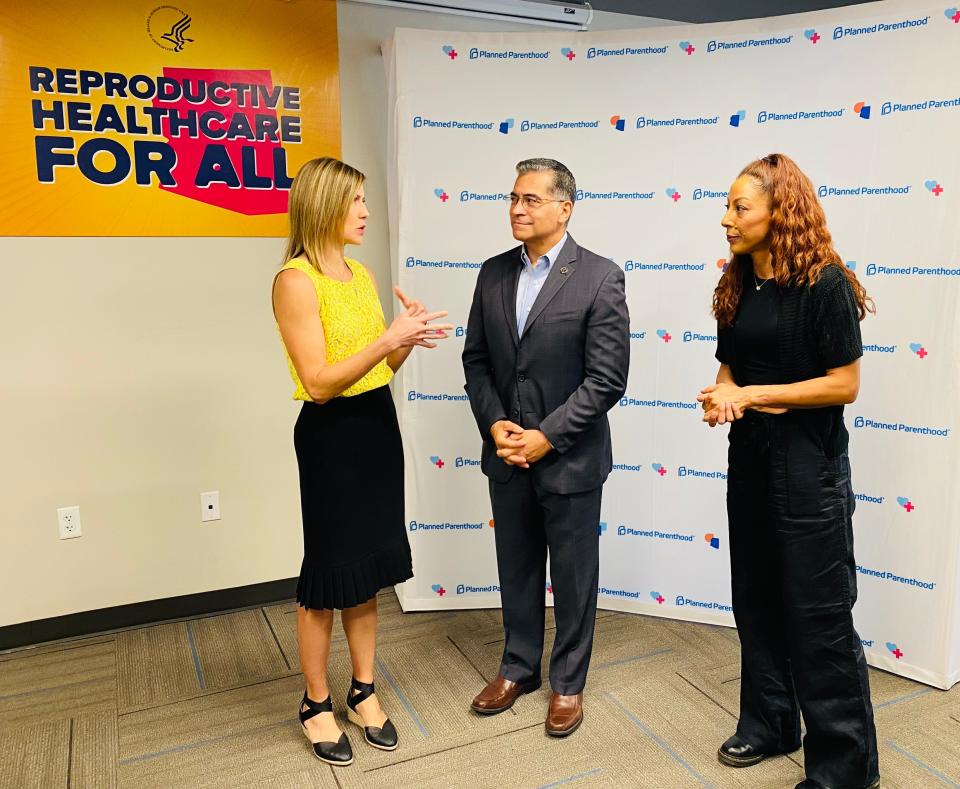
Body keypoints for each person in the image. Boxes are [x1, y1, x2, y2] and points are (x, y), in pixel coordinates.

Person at [697, 153, 879, 789]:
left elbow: (845, 384)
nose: (726, 219)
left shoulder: (826, 284)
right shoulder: (739, 280)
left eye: (739, 208)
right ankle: (770, 724)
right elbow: (731, 365)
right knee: (756, 598)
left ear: (781, 213)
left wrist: (750, 396)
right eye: (726, 206)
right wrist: (725, 394)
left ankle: (845, 768)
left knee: (819, 615)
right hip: (749, 463)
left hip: (809, 472)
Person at [272, 157, 452, 765]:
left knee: (367, 569)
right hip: (330, 437)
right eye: (356, 201)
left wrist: (403, 342)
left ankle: (363, 691)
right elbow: (320, 383)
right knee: (327, 574)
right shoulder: (294, 281)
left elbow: (372, 372)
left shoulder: (361, 273)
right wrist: (385, 338)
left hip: (376, 426)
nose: (366, 212)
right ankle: (316, 703)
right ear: (324, 205)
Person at [462, 158, 629, 737]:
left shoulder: (600, 277)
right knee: (518, 568)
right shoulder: (491, 273)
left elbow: (606, 379)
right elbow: (477, 362)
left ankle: (568, 682)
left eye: (531, 200)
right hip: (506, 455)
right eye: (513, 198)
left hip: (570, 457)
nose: (516, 209)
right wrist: (496, 426)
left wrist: (547, 436)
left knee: (576, 576)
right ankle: (518, 667)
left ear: (565, 208)